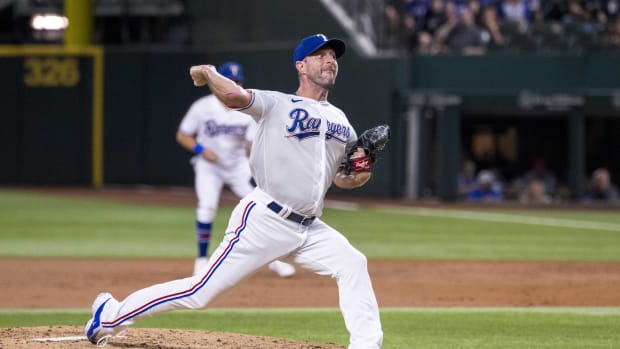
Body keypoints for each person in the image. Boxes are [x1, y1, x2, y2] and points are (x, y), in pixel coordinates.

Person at [85, 33, 384, 348]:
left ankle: (366, 344)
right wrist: (209, 72)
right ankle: (111, 315)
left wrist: (362, 167)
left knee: (352, 263)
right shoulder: (277, 103)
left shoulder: (341, 121)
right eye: (320, 55)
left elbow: (344, 179)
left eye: (333, 56)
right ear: (300, 64)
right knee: (198, 293)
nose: (330, 61)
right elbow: (234, 97)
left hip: (309, 226)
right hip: (264, 220)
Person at [176, 61, 295, 278]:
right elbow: (183, 135)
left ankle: (274, 259)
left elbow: (251, 146)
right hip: (208, 166)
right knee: (207, 206)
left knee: (262, 209)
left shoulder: (246, 110)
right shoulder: (203, 107)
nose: (236, 84)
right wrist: (202, 149)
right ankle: (202, 260)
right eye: (232, 80)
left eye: (238, 81)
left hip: (237, 166)